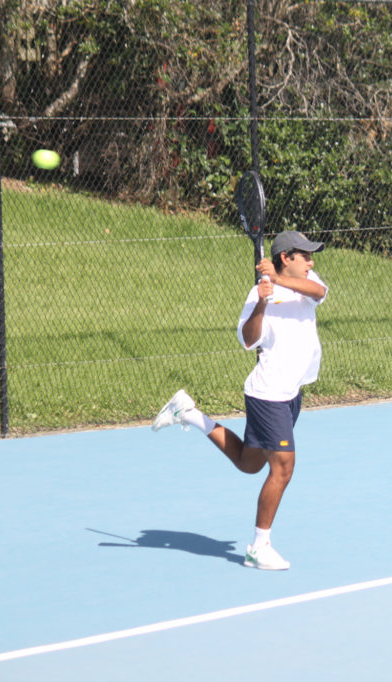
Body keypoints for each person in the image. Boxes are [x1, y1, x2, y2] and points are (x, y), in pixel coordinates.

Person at [151, 230, 328, 571]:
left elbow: (319, 292)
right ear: (285, 257)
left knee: (250, 464)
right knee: (283, 467)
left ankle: (188, 413)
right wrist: (263, 300)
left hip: (291, 392)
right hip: (268, 394)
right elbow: (249, 340)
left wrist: (277, 279)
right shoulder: (257, 293)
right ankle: (259, 547)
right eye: (304, 255)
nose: (311, 261)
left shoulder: (307, 281)